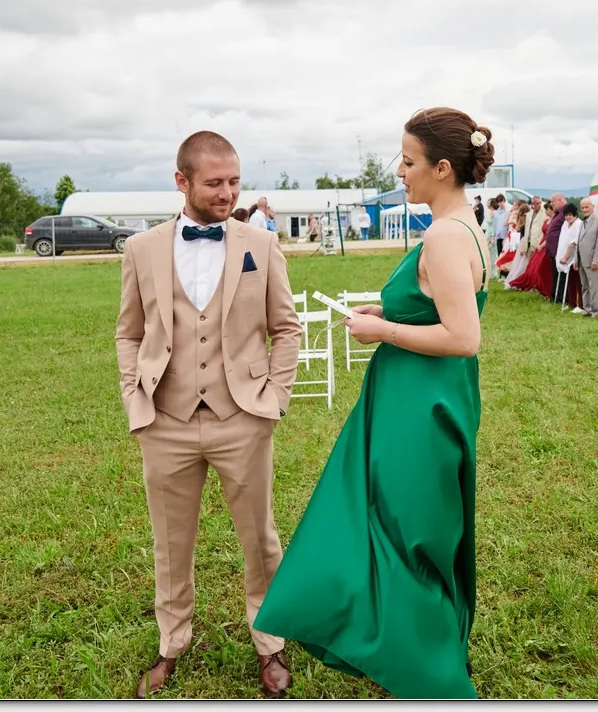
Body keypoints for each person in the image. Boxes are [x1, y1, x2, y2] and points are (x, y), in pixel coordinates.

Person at [254, 106, 492, 699]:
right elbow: (440, 305)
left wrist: (382, 331)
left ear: (442, 168)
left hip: (419, 409)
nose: (400, 172)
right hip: (427, 400)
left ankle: (429, 671)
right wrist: (389, 309)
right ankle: (406, 648)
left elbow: (463, 336)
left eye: (408, 162)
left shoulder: (443, 235)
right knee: (411, 525)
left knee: (405, 532)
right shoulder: (466, 226)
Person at [115, 131, 303, 699]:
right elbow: (129, 333)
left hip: (242, 417)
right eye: (215, 183)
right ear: (182, 181)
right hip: (164, 420)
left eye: (234, 182)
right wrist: (135, 399)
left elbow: (286, 327)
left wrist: (274, 399)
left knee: (260, 539)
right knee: (170, 542)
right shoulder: (141, 249)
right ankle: (171, 643)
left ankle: (270, 642)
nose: (227, 193)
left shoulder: (260, 245)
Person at [507, 201, 554, 297]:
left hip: (546, 245)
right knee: (532, 267)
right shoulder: (546, 220)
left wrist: (542, 245)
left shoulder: (553, 221)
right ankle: (532, 284)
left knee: (539, 268)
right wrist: (538, 244)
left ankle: (539, 286)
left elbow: (549, 236)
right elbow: (542, 233)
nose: (546, 211)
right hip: (540, 244)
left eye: (548, 210)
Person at [576, 198, 598, 318]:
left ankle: (597, 311)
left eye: (587, 207)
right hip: (582, 260)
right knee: (585, 286)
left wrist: (596, 260)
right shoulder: (582, 222)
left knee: (595, 287)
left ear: (592, 207)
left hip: (592, 260)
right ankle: (587, 308)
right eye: (582, 207)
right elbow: (579, 241)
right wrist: (576, 259)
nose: (584, 210)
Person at [554, 203, 582, 308]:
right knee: (570, 281)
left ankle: (579, 304)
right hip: (564, 255)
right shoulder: (565, 224)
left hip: (575, 257)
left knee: (577, 282)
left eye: (570, 214)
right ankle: (572, 303)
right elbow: (562, 240)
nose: (568, 217)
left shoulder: (578, 224)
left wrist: (565, 257)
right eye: (566, 215)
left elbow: (574, 243)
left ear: (575, 214)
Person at [542, 193, 567, 301]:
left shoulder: (566, 212)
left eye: (553, 201)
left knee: (560, 275)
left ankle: (560, 297)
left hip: (560, 250)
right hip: (553, 250)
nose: (551, 204)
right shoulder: (558, 213)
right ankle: (555, 295)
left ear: (561, 200)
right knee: (555, 274)